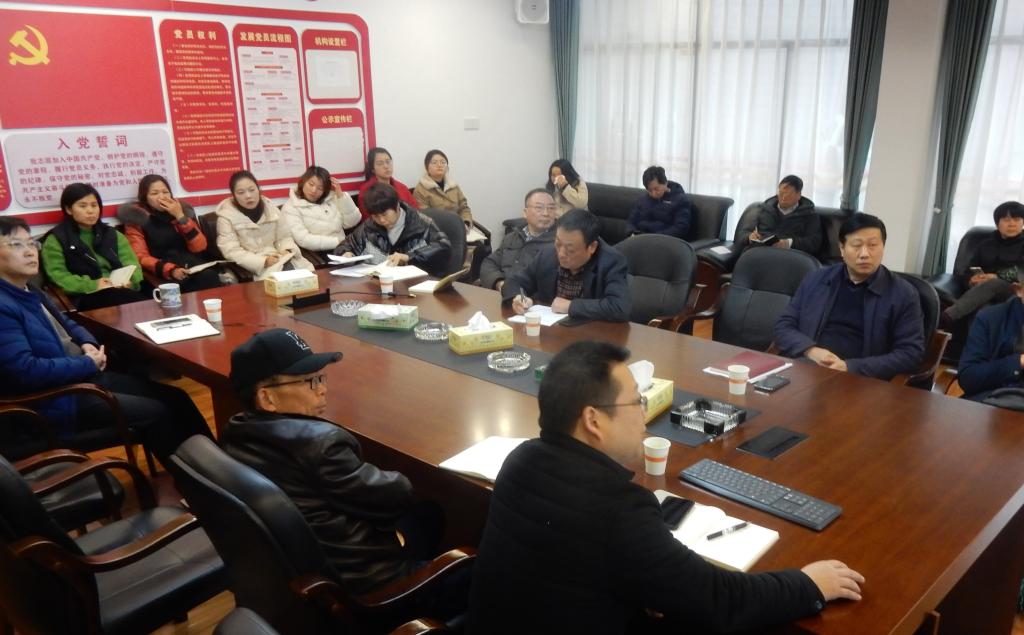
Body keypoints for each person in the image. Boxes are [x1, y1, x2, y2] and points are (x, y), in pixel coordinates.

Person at [468, 340, 865, 634]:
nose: (644, 415)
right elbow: (719, 599)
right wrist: (808, 584)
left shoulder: (520, 459)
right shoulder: (619, 510)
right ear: (593, 420)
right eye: (636, 402)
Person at [221, 328, 441, 595]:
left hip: (306, 570)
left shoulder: (236, 432)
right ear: (267, 398)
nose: (323, 389)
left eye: (320, 378)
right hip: (368, 585)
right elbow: (397, 494)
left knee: (425, 515)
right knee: (440, 523)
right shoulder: (322, 446)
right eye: (310, 381)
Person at [0, 216, 210, 462]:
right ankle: (195, 479)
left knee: (177, 397)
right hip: (56, 401)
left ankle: (220, 468)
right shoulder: (4, 305)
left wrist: (87, 343)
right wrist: (86, 363)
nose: (29, 252)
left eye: (31, 243)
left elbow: (66, 323)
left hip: (80, 376)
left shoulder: (29, 289)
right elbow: (25, 371)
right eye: (16, 245)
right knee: (157, 412)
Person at [774, 213, 924, 380]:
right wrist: (811, 350)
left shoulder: (903, 293)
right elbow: (784, 326)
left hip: (862, 380)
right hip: (808, 369)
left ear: (883, 247)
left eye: (873, 245)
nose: (865, 254)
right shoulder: (816, 279)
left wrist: (849, 367)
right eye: (856, 245)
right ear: (842, 249)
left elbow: (910, 354)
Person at [501, 208, 631, 322]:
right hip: (552, 331)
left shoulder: (611, 261)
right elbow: (514, 282)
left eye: (570, 249)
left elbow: (619, 307)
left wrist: (571, 306)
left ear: (592, 247)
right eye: (558, 244)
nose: (561, 253)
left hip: (591, 334)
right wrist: (518, 297)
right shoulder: (548, 254)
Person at [41, 182, 146, 310]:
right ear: (69, 209)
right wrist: (93, 285)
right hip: (85, 296)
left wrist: (131, 281)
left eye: (94, 205)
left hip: (121, 290)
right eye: (83, 206)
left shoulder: (112, 234)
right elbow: (58, 275)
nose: (90, 211)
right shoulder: (56, 239)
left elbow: (132, 263)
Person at [118, 174, 224, 294]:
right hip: (163, 271)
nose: (162, 197)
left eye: (165, 192)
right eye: (154, 193)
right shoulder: (136, 220)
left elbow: (199, 246)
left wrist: (180, 216)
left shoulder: (179, 213)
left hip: (190, 265)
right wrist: (170, 270)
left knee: (209, 276)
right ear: (145, 198)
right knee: (205, 280)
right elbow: (140, 256)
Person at [336, 182, 451, 277]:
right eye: (376, 216)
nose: (381, 220)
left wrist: (409, 257)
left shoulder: (421, 223)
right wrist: (346, 253)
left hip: (418, 287)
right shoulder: (369, 227)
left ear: (397, 206)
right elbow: (345, 245)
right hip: (379, 287)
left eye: (385, 214)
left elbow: (443, 247)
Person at [215, 170, 314, 280]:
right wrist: (263, 261)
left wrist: (287, 249)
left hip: (279, 257)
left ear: (258, 189)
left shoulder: (271, 209)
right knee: (288, 279)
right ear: (234, 195)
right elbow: (232, 251)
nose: (248, 196)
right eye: (241, 192)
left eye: (252, 190)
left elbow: (284, 237)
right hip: (254, 266)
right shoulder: (226, 218)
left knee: (307, 275)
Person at [941, 201, 1024, 327]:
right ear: (997, 223)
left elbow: (1022, 271)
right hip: (983, 291)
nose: (1012, 224)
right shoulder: (986, 244)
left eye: (1017, 219)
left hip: (1014, 290)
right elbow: (968, 269)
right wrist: (972, 279)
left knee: (994, 283)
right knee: (981, 309)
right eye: (1006, 219)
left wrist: (996, 276)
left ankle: (946, 317)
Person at [479, 188, 556, 291]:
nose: (546, 213)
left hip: (529, 298)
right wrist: (499, 283)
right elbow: (490, 263)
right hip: (502, 293)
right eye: (539, 208)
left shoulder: (559, 243)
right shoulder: (512, 237)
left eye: (551, 208)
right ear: (525, 213)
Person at [957, 282, 1024, 402]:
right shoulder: (991, 318)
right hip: (993, 401)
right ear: (1019, 290)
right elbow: (968, 378)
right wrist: (1018, 362)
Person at [281, 165, 361, 257]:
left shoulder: (331, 199)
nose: (314, 190)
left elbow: (351, 222)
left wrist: (340, 196)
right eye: (311, 184)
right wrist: (338, 242)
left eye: (320, 188)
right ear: (303, 182)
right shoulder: (291, 207)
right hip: (317, 255)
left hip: (344, 249)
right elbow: (303, 239)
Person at [737, 175, 822, 255]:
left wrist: (789, 243)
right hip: (759, 252)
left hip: (789, 255)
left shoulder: (810, 214)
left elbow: (814, 243)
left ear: (798, 195)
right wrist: (749, 237)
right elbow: (741, 234)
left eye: (788, 195)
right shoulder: (765, 209)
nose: (783, 198)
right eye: (781, 194)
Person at [626, 165, 694, 240]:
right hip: (639, 238)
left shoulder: (680, 200)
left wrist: (655, 237)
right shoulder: (643, 199)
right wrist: (631, 232)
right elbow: (631, 221)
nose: (653, 193)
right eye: (650, 190)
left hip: (662, 241)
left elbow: (680, 229)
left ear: (665, 183)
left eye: (656, 189)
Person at [413, 149, 474, 229]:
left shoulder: (453, 186)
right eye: (434, 162)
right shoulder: (421, 189)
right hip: (437, 231)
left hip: (460, 227)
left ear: (447, 167)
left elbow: (464, 208)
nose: (439, 165)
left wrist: (466, 222)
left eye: (443, 162)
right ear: (426, 167)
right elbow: (425, 217)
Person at [357, 147, 418, 221]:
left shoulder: (402, 187)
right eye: (380, 163)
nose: (386, 166)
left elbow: (416, 210)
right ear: (373, 169)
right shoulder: (366, 191)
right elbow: (369, 220)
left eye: (388, 162)